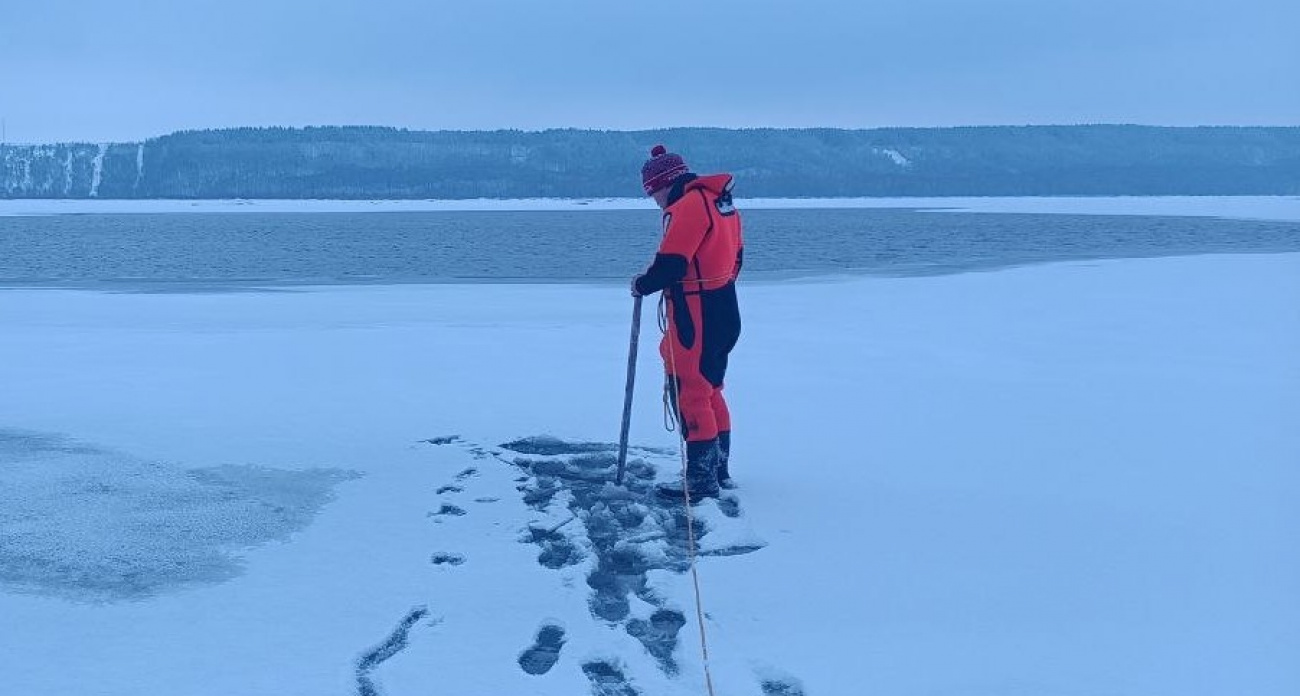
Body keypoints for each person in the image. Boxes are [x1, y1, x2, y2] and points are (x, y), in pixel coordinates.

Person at [631, 144, 743, 501]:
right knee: (711, 388)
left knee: (691, 389)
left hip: (697, 310)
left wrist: (642, 284)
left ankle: (700, 479)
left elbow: (673, 263)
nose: (656, 204)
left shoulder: (690, 205)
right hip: (724, 303)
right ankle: (717, 468)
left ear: (664, 185)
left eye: (654, 195)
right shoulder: (721, 202)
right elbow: (738, 256)